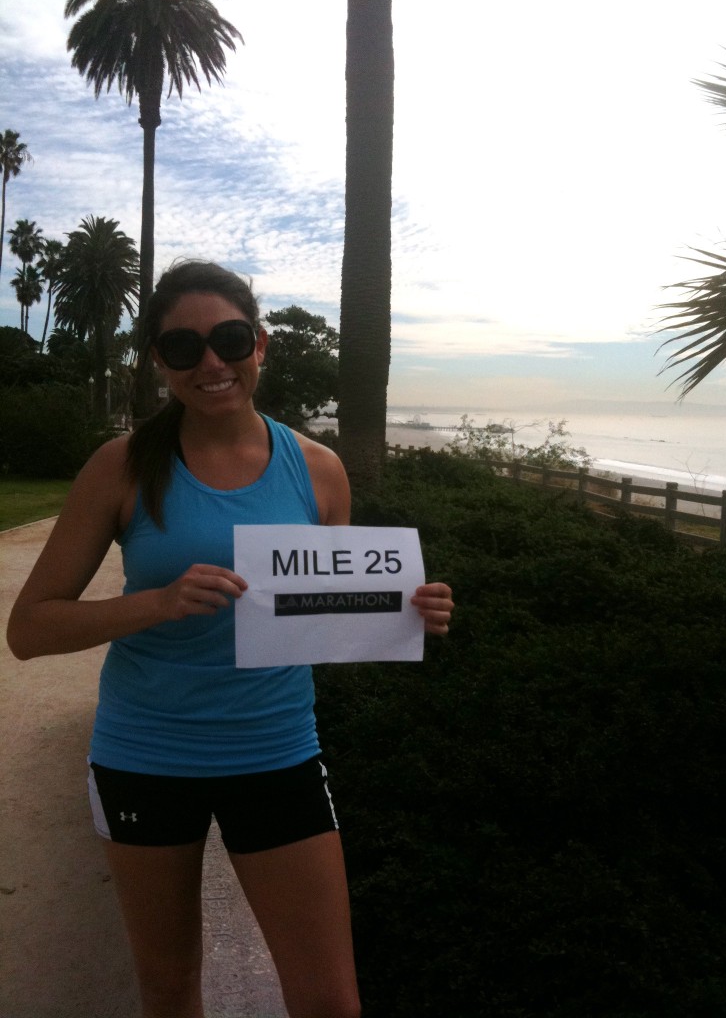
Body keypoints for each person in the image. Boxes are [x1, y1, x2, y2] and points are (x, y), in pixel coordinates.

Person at [6, 260, 454, 1018]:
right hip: (145, 757)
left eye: (230, 339)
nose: (211, 362)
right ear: (158, 360)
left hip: (276, 750)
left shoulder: (319, 470)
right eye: (183, 347)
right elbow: (29, 629)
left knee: (331, 1002)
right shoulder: (122, 467)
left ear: (260, 345)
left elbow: (323, 616)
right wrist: (154, 604)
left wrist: (404, 608)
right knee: (170, 987)